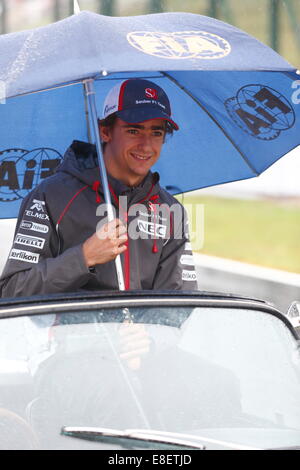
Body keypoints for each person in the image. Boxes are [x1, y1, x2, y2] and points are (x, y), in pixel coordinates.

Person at [0, 79, 198, 298]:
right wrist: (83, 258)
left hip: (139, 333)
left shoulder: (171, 212)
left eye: (156, 133)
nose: (146, 145)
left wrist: (147, 328)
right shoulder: (50, 196)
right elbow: (11, 291)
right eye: (134, 130)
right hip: (66, 332)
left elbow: (180, 302)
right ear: (105, 131)